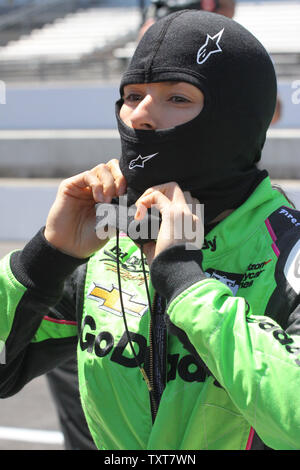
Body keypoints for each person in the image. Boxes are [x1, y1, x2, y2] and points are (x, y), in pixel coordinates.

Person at [0, 10, 299, 451]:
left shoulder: (288, 254)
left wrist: (186, 285)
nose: (140, 115)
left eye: (177, 97)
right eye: (132, 94)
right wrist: (45, 259)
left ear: (233, 119)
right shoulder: (107, 244)